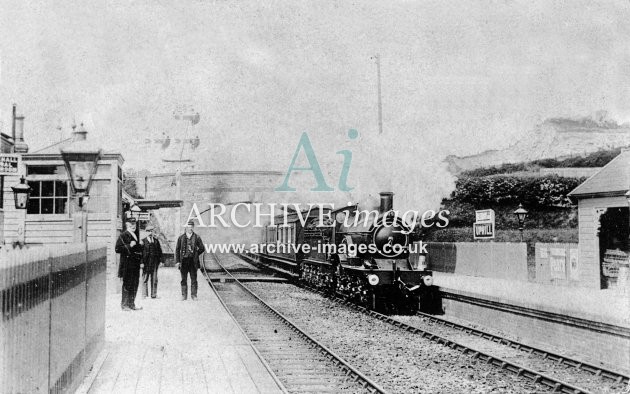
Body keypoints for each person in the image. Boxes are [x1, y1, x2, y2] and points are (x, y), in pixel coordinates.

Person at [115, 218, 144, 311]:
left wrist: (140, 245)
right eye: (131, 224)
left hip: (135, 264)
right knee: (127, 284)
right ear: (127, 225)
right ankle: (124, 305)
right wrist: (129, 245)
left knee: (134, 284)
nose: (133, 226)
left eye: (134, 224)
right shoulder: (123, 235)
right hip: (127, 264)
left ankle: (131, 304)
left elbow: (137, 250)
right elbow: (117, 249)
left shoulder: (136, 235)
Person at [175, 220, 205, 300]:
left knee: (194, 279)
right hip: (183, 261)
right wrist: (177, 261)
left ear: (193, 227)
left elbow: (202, 248)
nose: (190, 228)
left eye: (191, 227)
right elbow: (177, 250)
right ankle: (184, 296)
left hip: (193, 261)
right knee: (183, 279)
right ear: (186, 227)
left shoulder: (197, 237)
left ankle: (194, 295)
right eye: (189, 227)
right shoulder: (181, 238)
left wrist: (195, 253)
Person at [141, 224, 164, 299]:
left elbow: (160, 252)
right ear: (146, 232)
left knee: (154, 279)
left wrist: (161, 261)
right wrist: (141, 263)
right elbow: (140, 253)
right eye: (149, 231)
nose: (151, 233)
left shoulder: (156, 241)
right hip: (146, 263)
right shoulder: (143, 241)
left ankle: (154, 294)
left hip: (154, 263)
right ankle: (144, 294)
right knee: (145, 278)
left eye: (152, 231)